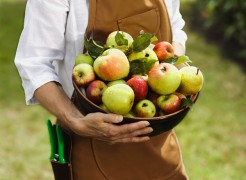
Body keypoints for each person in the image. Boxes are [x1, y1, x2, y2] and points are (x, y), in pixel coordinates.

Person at [15, 0, 188, 179]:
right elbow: (34, 64)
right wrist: (75, 120)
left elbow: (175, 28)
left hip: (160, 145)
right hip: (90, 139)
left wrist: (174, 70)